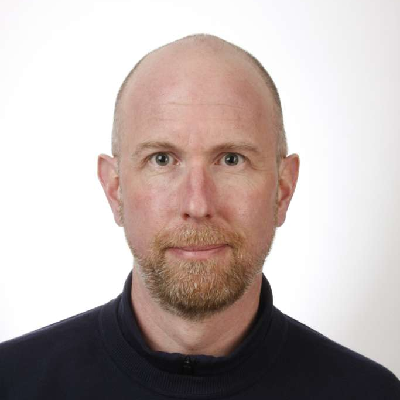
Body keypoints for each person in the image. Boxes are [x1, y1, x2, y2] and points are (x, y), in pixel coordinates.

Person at [0, 34, 399, 400]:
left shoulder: (371, 394)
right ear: (114, 188)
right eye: (162, 159)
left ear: (283, 188)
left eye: (231, 160)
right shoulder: (12, 382)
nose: (198, 203)